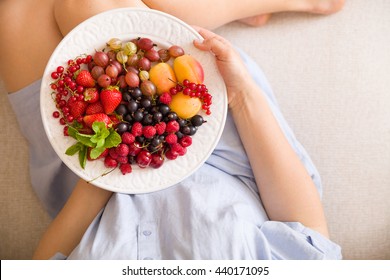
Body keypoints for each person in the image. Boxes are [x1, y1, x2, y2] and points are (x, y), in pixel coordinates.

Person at [0, 0, 345, 259]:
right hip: (205, 142)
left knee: (19, 8)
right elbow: (308, 230)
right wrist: (241, 96)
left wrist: (107, 168)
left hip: (91, 170)